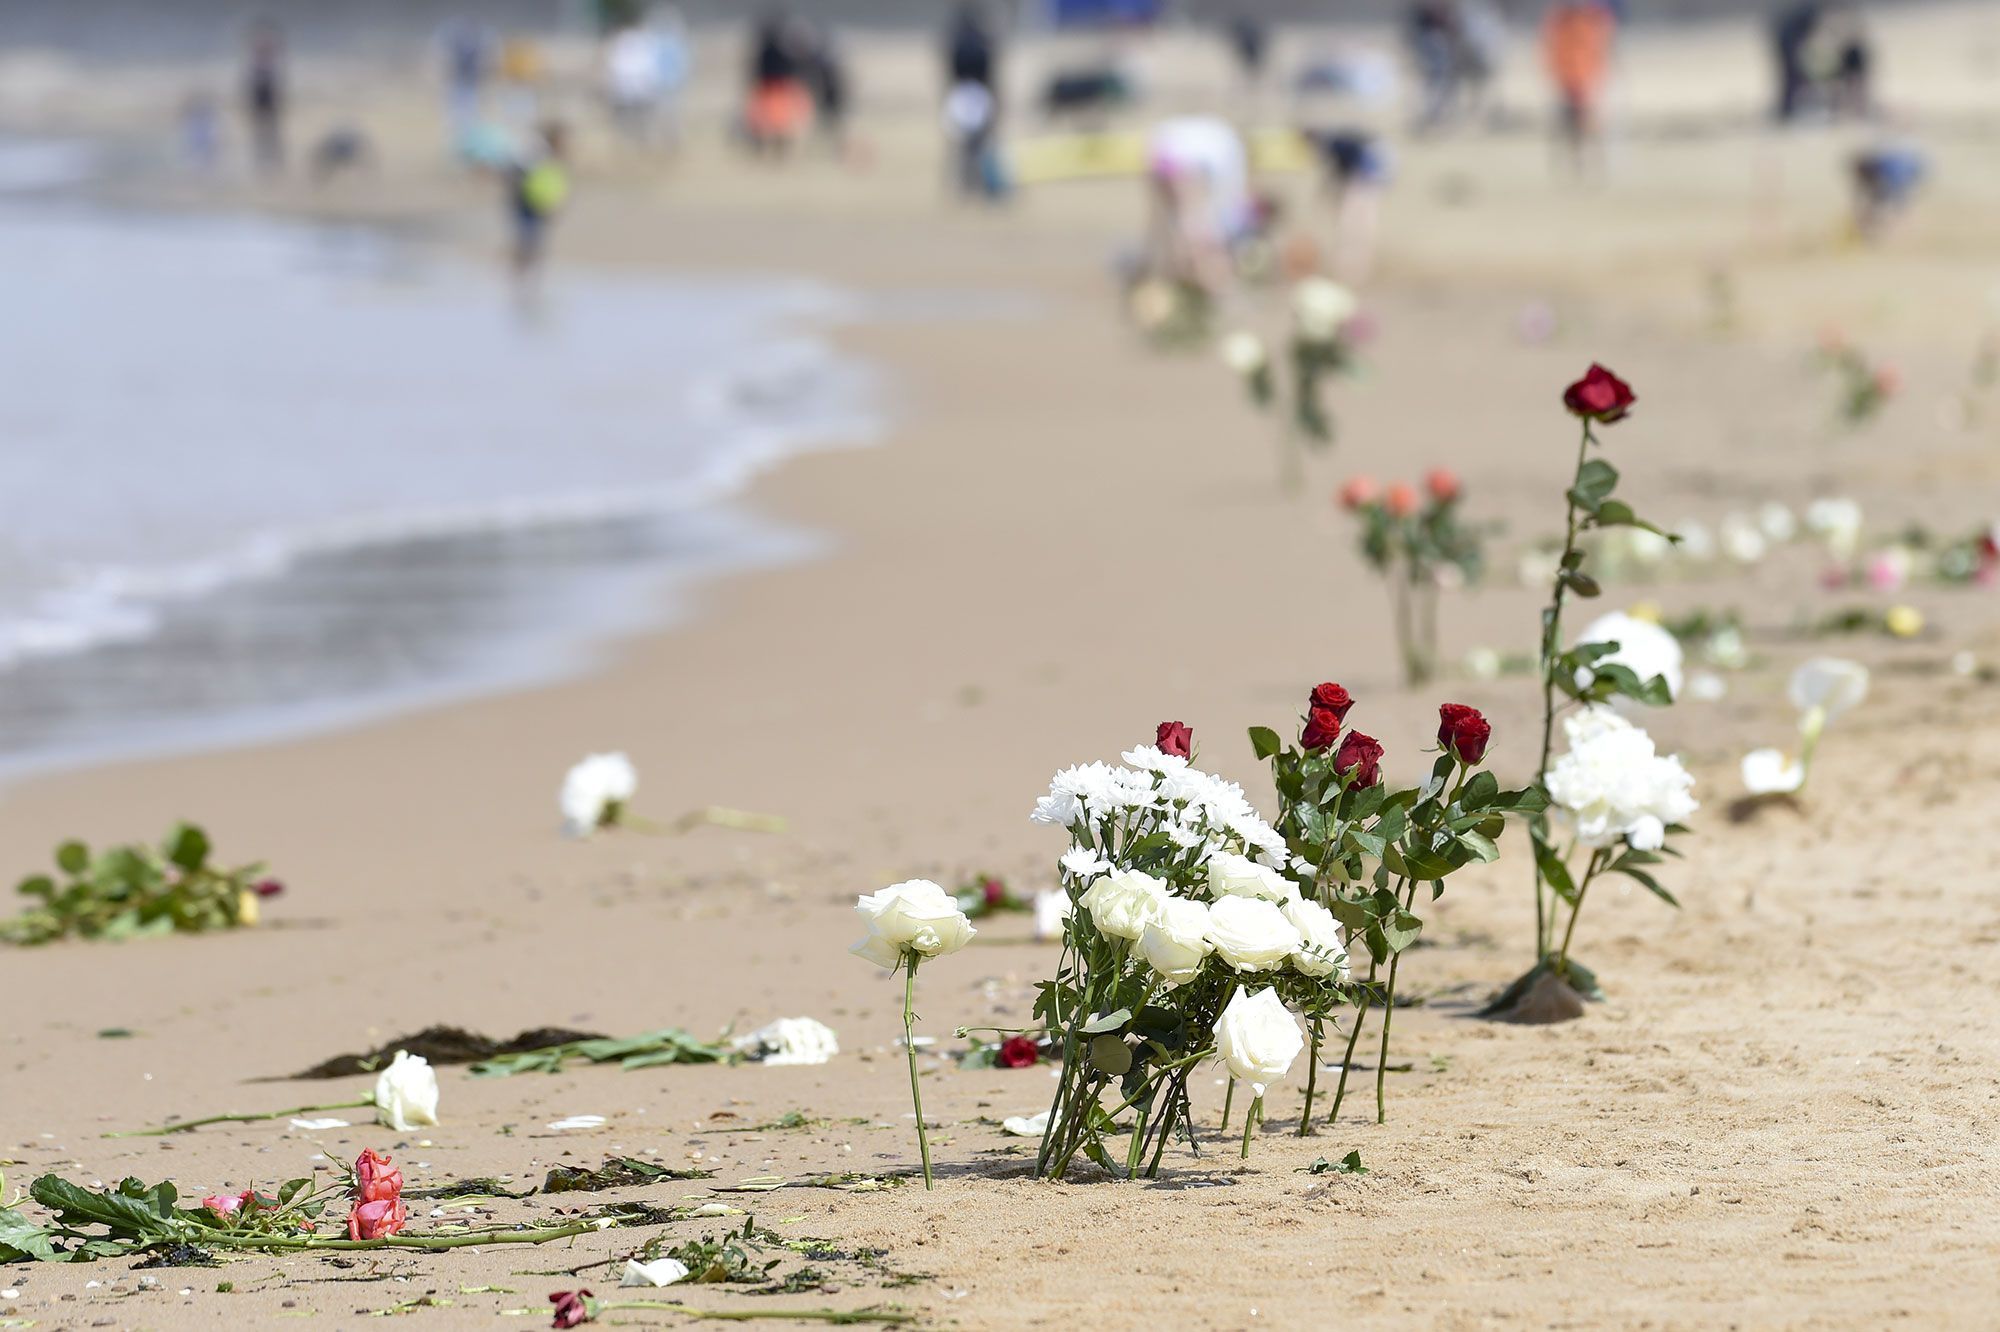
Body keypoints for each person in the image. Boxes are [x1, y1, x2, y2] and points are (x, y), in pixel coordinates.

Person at [1144, 116, 1254, 295]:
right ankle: (1206, 282)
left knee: (1181, 226)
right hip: (1185, 157)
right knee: (1194, 229)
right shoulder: (1232, 207)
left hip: (1164, 147)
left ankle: (1179, 274)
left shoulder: (1226, 147)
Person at [1542, 0, 1616, 176]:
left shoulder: (1593, 18)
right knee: (1572, 126)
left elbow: (1603, 46)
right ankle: (1578, 164)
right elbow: (1551, 50)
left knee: (1588, 123)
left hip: (1587, 79)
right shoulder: (1561, 19)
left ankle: (1595, 163)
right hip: (1569, 79)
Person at [944, 4, 1003, 200]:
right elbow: (989, 73)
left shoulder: (956, 44)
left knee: (962, 145)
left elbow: (951, 72)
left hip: (962, 92)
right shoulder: (982, 43)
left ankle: (967, 183)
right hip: (978, 92)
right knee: (981, 142)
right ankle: (981, 182)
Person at [507, 121, 570, 282]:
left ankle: (526, 277)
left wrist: (555, 202)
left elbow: (557, 182)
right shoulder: (538, 152)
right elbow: (520, 176)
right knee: (528, 240)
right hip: (528, 203)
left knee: (534, 241)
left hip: (540, 204)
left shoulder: (553, 156)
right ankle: (522, 276)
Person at [745, 11, 812, 155]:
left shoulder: (767, 49)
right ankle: (776, 149)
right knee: (777, 124)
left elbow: (757, 70)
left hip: (771, 89)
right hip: (777, 89)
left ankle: (771, 148)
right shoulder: (782, 49)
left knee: (771, 124)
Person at [606, 21, 666, 143]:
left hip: (633, 92)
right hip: (631, 92)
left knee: (637, 123)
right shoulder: (641, 43)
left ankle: (636, 142)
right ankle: (632, 142)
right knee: (632, 122)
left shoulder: (638, 43)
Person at [243, 17, 286, 173]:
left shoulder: (271, 58)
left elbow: (276, 80)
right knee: (260, 129)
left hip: (268, 91)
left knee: (272, 128)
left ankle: (274, 161)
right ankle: (262, 161)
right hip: (260, 92)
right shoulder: (256, 58)